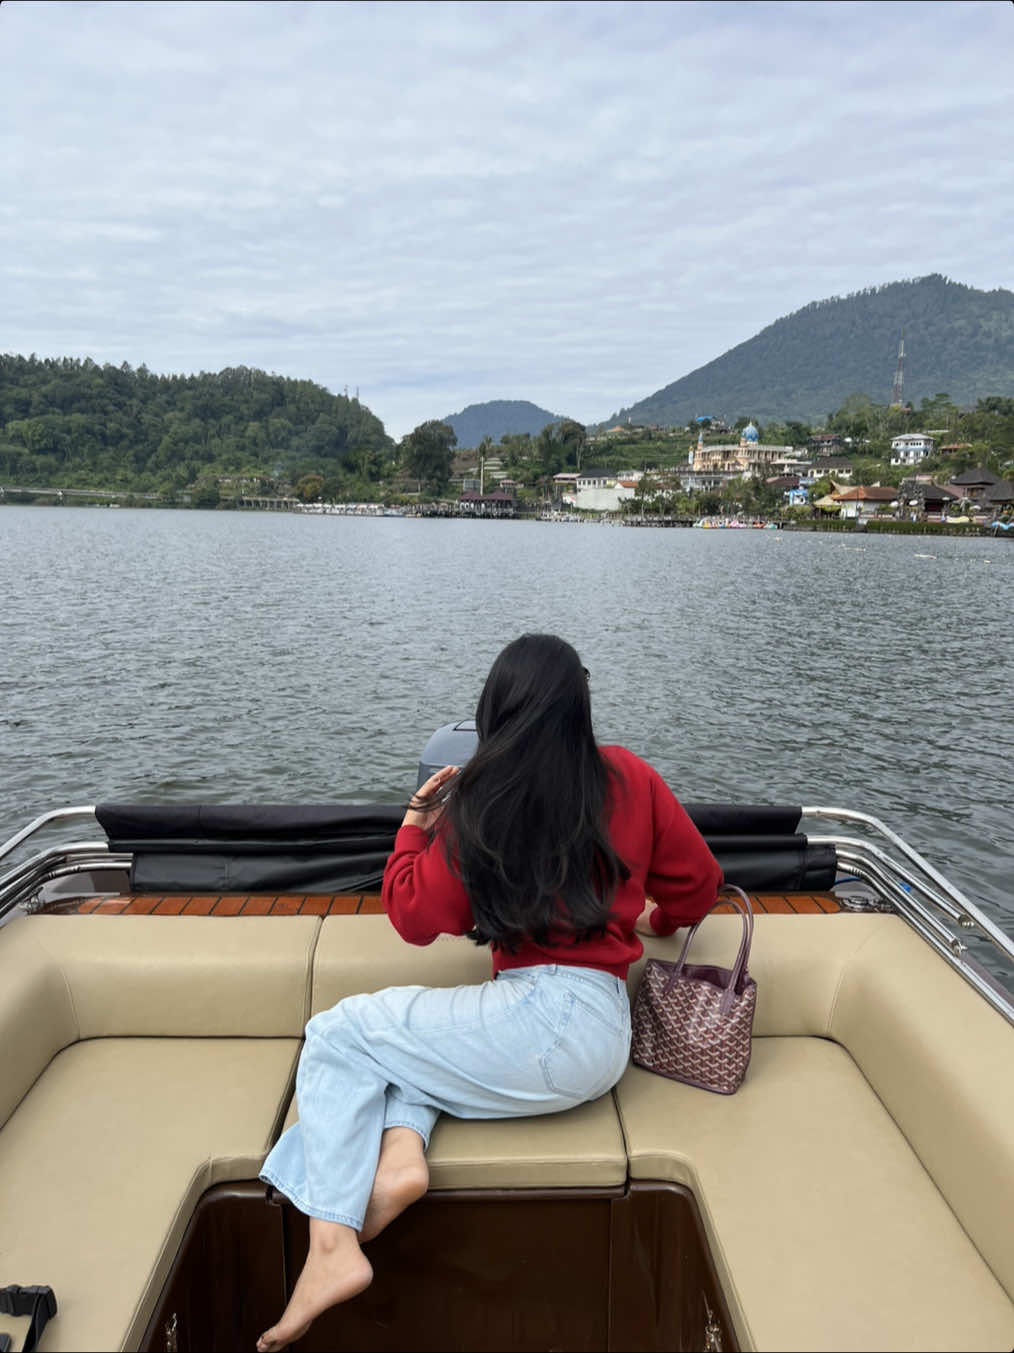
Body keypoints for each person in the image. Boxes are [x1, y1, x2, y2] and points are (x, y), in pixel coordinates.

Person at [256, 634, 722, 1351]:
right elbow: (698, 887)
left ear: (494, 710)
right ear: (579, 705)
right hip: (603, 1033)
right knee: (410, 1055)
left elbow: (413, 917)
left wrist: (414, 825)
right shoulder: (630, 776)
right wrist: (655, 922)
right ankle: (400, 1156)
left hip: (540, 1027)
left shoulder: (485, 798)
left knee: (337, 1033)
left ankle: (330, 1244)